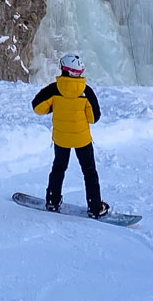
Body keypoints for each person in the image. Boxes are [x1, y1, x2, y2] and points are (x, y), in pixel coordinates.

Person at [33, 52, 109, 216]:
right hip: (82, 139)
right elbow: (94, 118)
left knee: (58, 168)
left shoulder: (54, 90)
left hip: (61, 139)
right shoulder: (86, 92)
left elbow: (37, 107)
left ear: (63, 70)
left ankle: (52, 201)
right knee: (89, 172)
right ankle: (95, 208)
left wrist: (54, 107)